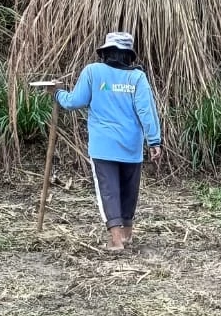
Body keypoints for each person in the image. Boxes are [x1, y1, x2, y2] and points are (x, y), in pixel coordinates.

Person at [50, 32, 163, 252]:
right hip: (131, 146)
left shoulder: (93, 72)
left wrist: (57, 93)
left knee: (108, 191)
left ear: (106, 52)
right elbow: (146, 111)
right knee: (130, 190)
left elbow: (74, 102)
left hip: (103, 147)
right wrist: (154, 141)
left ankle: (116, 240)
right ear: (128, 55)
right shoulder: (137, 77)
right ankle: (127, 235)